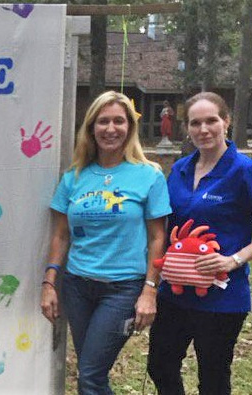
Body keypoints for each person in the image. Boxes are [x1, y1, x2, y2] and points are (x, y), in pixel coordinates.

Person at [40, 91, 171, 394]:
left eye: (118, 121)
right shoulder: (74, 177)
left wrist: (149, 291)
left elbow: (157, 237)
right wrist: (49, 283)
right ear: (90, 128)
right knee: (91, 370)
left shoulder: (148, 175)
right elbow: (61, 234)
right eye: (103, 121)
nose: (111, 128)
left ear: (129, 127)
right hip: (77, 286)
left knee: (90, 375)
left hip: (123, 289)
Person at [147, 92, 252, 395]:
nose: (203, 129)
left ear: (226, 122)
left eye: (211, 121)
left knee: (213, 378)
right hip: (175, 293)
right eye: (195, 123)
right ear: (187, 128)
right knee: (161, 365)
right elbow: (165, 222)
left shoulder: (243, 171)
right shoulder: (180, 169)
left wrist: (234, 260)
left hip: (223, 297)